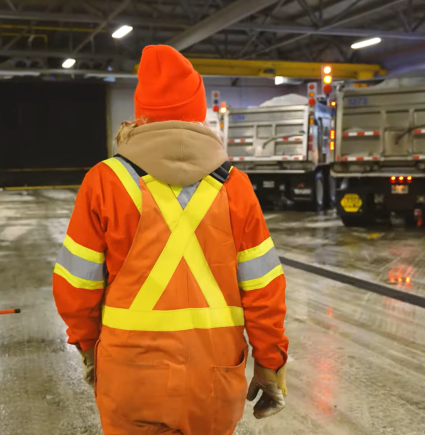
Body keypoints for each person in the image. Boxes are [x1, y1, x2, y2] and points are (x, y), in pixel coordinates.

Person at [53, 44, 289, 435]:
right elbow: (264, 289)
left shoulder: (105, 180)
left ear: (141, 113)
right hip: (215, 375)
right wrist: (269, 362)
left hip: (129, 373)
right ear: (198, 114)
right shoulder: (236, 186)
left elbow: (76, 284)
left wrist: (89, 348)